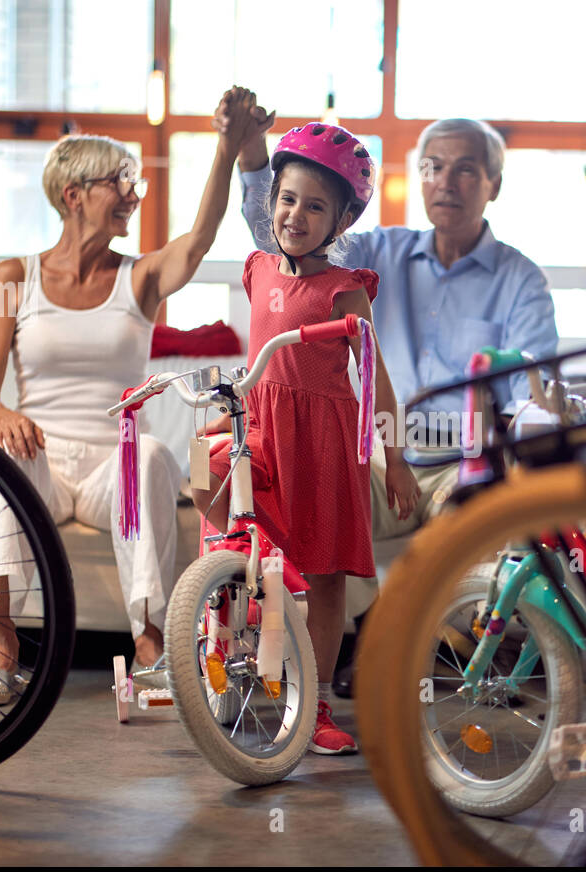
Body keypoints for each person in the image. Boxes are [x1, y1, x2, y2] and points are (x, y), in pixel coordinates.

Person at [0, 88, 269, 706]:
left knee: (152, 451)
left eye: (137, 185)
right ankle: (1, 651)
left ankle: (150, 650)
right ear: (73, 196)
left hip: (114, 467)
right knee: (2, 452)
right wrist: (7, 418)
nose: (134, 195)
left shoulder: (142, 277)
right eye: (121, 183)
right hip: (39, 460)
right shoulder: (11, 278)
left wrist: (227, 146)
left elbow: (200, 239)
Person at [221, 110, 559, 543]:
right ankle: (364, 614)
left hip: (466, 467)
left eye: (466, 169)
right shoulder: (376, 251)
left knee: (467, 535)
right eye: (432, 167)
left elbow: (529, 395)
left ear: (495, 184)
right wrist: (252, 155)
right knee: (295, 500)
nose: (446, 181)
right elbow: (286, 236)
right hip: (376, 460)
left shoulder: (521, 280)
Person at [193, 122, 417, 754]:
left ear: (341, 219)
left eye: (316, 206)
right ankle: (233, 614)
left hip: (322, 444)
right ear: (273, 203)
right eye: (288, 199)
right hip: (260, 426)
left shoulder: (344, 289)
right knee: (206, 474)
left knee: (326, 578)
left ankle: (314, 704)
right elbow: (259, 361)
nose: (297, 215)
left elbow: (375, 378)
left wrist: (395, 458)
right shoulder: (258, 268)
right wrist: (230, 406)